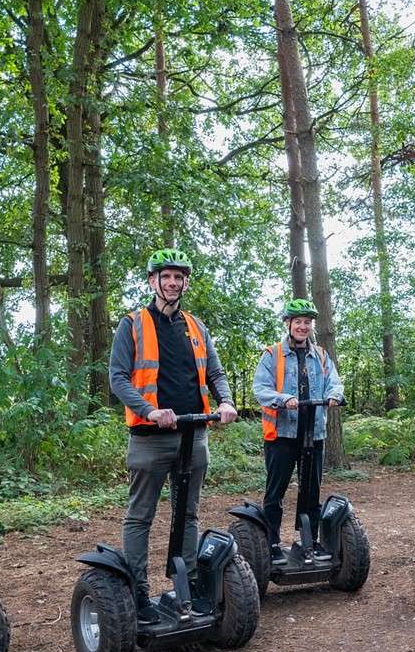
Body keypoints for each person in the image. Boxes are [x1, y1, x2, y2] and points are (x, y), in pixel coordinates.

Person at [108, 248, 238, 625]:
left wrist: (226, 401)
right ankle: (138, 593)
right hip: (150, 438)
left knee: (188, 512)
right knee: (140, 516)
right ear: (153, 281)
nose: (172, 282)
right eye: (165, 276)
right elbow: (118, 378)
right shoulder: (132, 324)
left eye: (178, 277)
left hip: (193, 434)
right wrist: (149, 410)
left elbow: (216, 373)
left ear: (185, 283)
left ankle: (188, 585)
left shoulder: (196, 327)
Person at [253, 298, 345, 565]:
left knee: (311, 491)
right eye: (298, 322)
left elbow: (334, 382)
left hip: (313, 433)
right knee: (275, 491)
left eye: (307, 322)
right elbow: (261, 389)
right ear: (288, 324)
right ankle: (272, 543)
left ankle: (309, 540)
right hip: (282, 434)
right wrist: (283, 399)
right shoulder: (272, 355)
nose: (303, 326)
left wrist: (334, 395)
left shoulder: (321, 355)